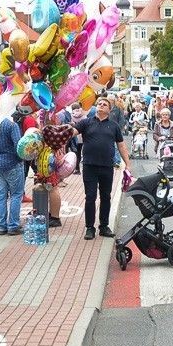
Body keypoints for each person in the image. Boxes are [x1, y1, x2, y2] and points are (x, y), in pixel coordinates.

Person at [71, 96, 132, 240]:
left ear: (109, 110)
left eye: (105, 104)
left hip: (107, 166)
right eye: (99, 103)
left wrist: (127, 164)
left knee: (106, 197)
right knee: (90, 197)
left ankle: (104, 226)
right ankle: (89, 228)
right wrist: (59, 130)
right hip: (89, 166)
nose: (101, 105)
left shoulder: (114, 126)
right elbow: (72, 132)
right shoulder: (86, 122)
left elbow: (121, 145)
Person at [0, 111, 25, 237]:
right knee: (16, 195)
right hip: (12, 163)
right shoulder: (12, 125)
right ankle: (13, 225)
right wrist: (21, 159)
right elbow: (18, 145)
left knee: (1, 195)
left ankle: (1, 225)